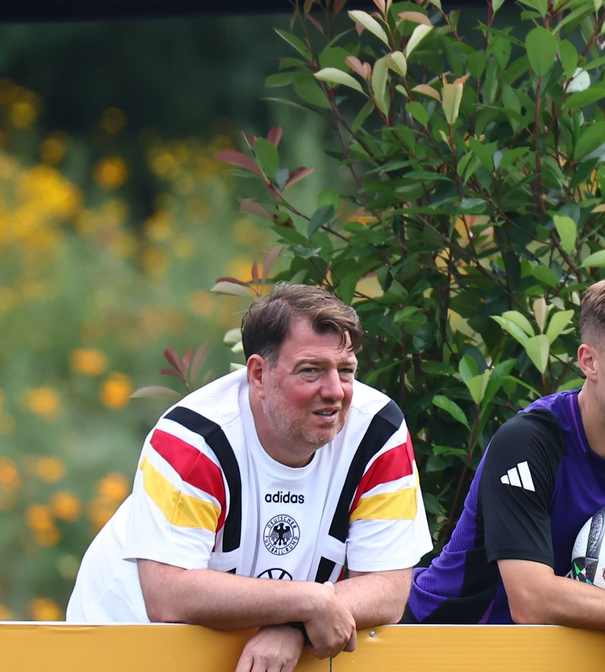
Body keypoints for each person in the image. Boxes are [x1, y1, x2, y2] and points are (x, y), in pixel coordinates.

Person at [67, 284, 432, 672]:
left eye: (346, 371)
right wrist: (309, 603)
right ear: (258, 374)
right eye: (311, 370)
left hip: (255, 645)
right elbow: (168, 595)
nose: (334, 392)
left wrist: (296, 625)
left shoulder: (378, 431)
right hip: (125, 641)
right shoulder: (192, 439)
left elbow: (389, 587)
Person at [405, 273, 605, 672]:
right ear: (589, 361)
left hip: (562, 656)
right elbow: (532, 601)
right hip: (441, 645)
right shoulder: (528, 443)